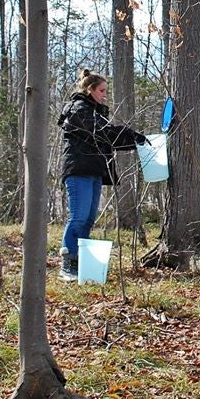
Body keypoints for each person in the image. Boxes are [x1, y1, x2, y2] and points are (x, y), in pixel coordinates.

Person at [56, 69, 147, 281]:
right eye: (102, 90)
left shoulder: (94, 111)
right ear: (90, 90)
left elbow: (107, 136)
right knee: (78, 217)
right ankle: (67, 263)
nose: (105, 94)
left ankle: (81, 263)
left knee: (88, 219)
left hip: (94, 171)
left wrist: (134, 139)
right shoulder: (78, 110)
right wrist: (130, 136)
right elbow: (102, 133)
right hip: (78, 171)